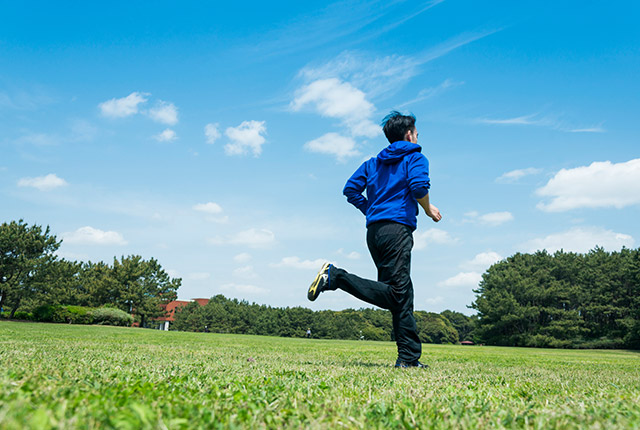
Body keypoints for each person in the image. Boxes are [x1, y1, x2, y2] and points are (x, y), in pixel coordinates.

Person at [307, 111, 442, 368]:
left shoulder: (372, 163)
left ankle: (408, 358)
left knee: (402, 294)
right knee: (396, 294)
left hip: (374, 233)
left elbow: (350, 189)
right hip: (396, 231)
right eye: (416, 133)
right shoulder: (415, 157)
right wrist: (427, 208)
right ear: (409, 134)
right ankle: (335, 277)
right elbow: (419, 187)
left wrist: (370, 209)